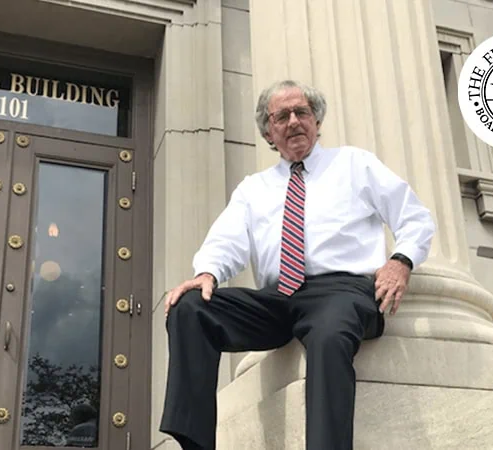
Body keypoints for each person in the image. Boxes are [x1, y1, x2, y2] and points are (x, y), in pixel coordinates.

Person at [158, 80, 436, 450]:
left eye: (301, 112)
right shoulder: (253, 189)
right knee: (190, 307)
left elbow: (415, 217)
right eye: (282, 116)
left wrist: (401, 261)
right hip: (278, 300)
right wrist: (207, 272)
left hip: (341, 291)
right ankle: (194, 443)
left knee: (328, 336)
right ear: (269, 132)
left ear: (317, 121)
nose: (293, 122)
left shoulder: (355, 164)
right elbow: (227, 241)